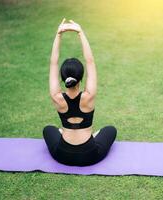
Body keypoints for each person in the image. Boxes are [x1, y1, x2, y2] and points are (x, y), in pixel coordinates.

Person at [42, 18, 117, 166]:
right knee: (110, 130)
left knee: (48, 129)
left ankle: (64, 133)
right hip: (89, 155)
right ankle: (92, 137)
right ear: (81, 77)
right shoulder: (88, 96)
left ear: (62, 79)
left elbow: (53, 62)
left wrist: (58, 35)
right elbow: (90, 61)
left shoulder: (57, 98)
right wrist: (80, 32)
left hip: (63, 155)